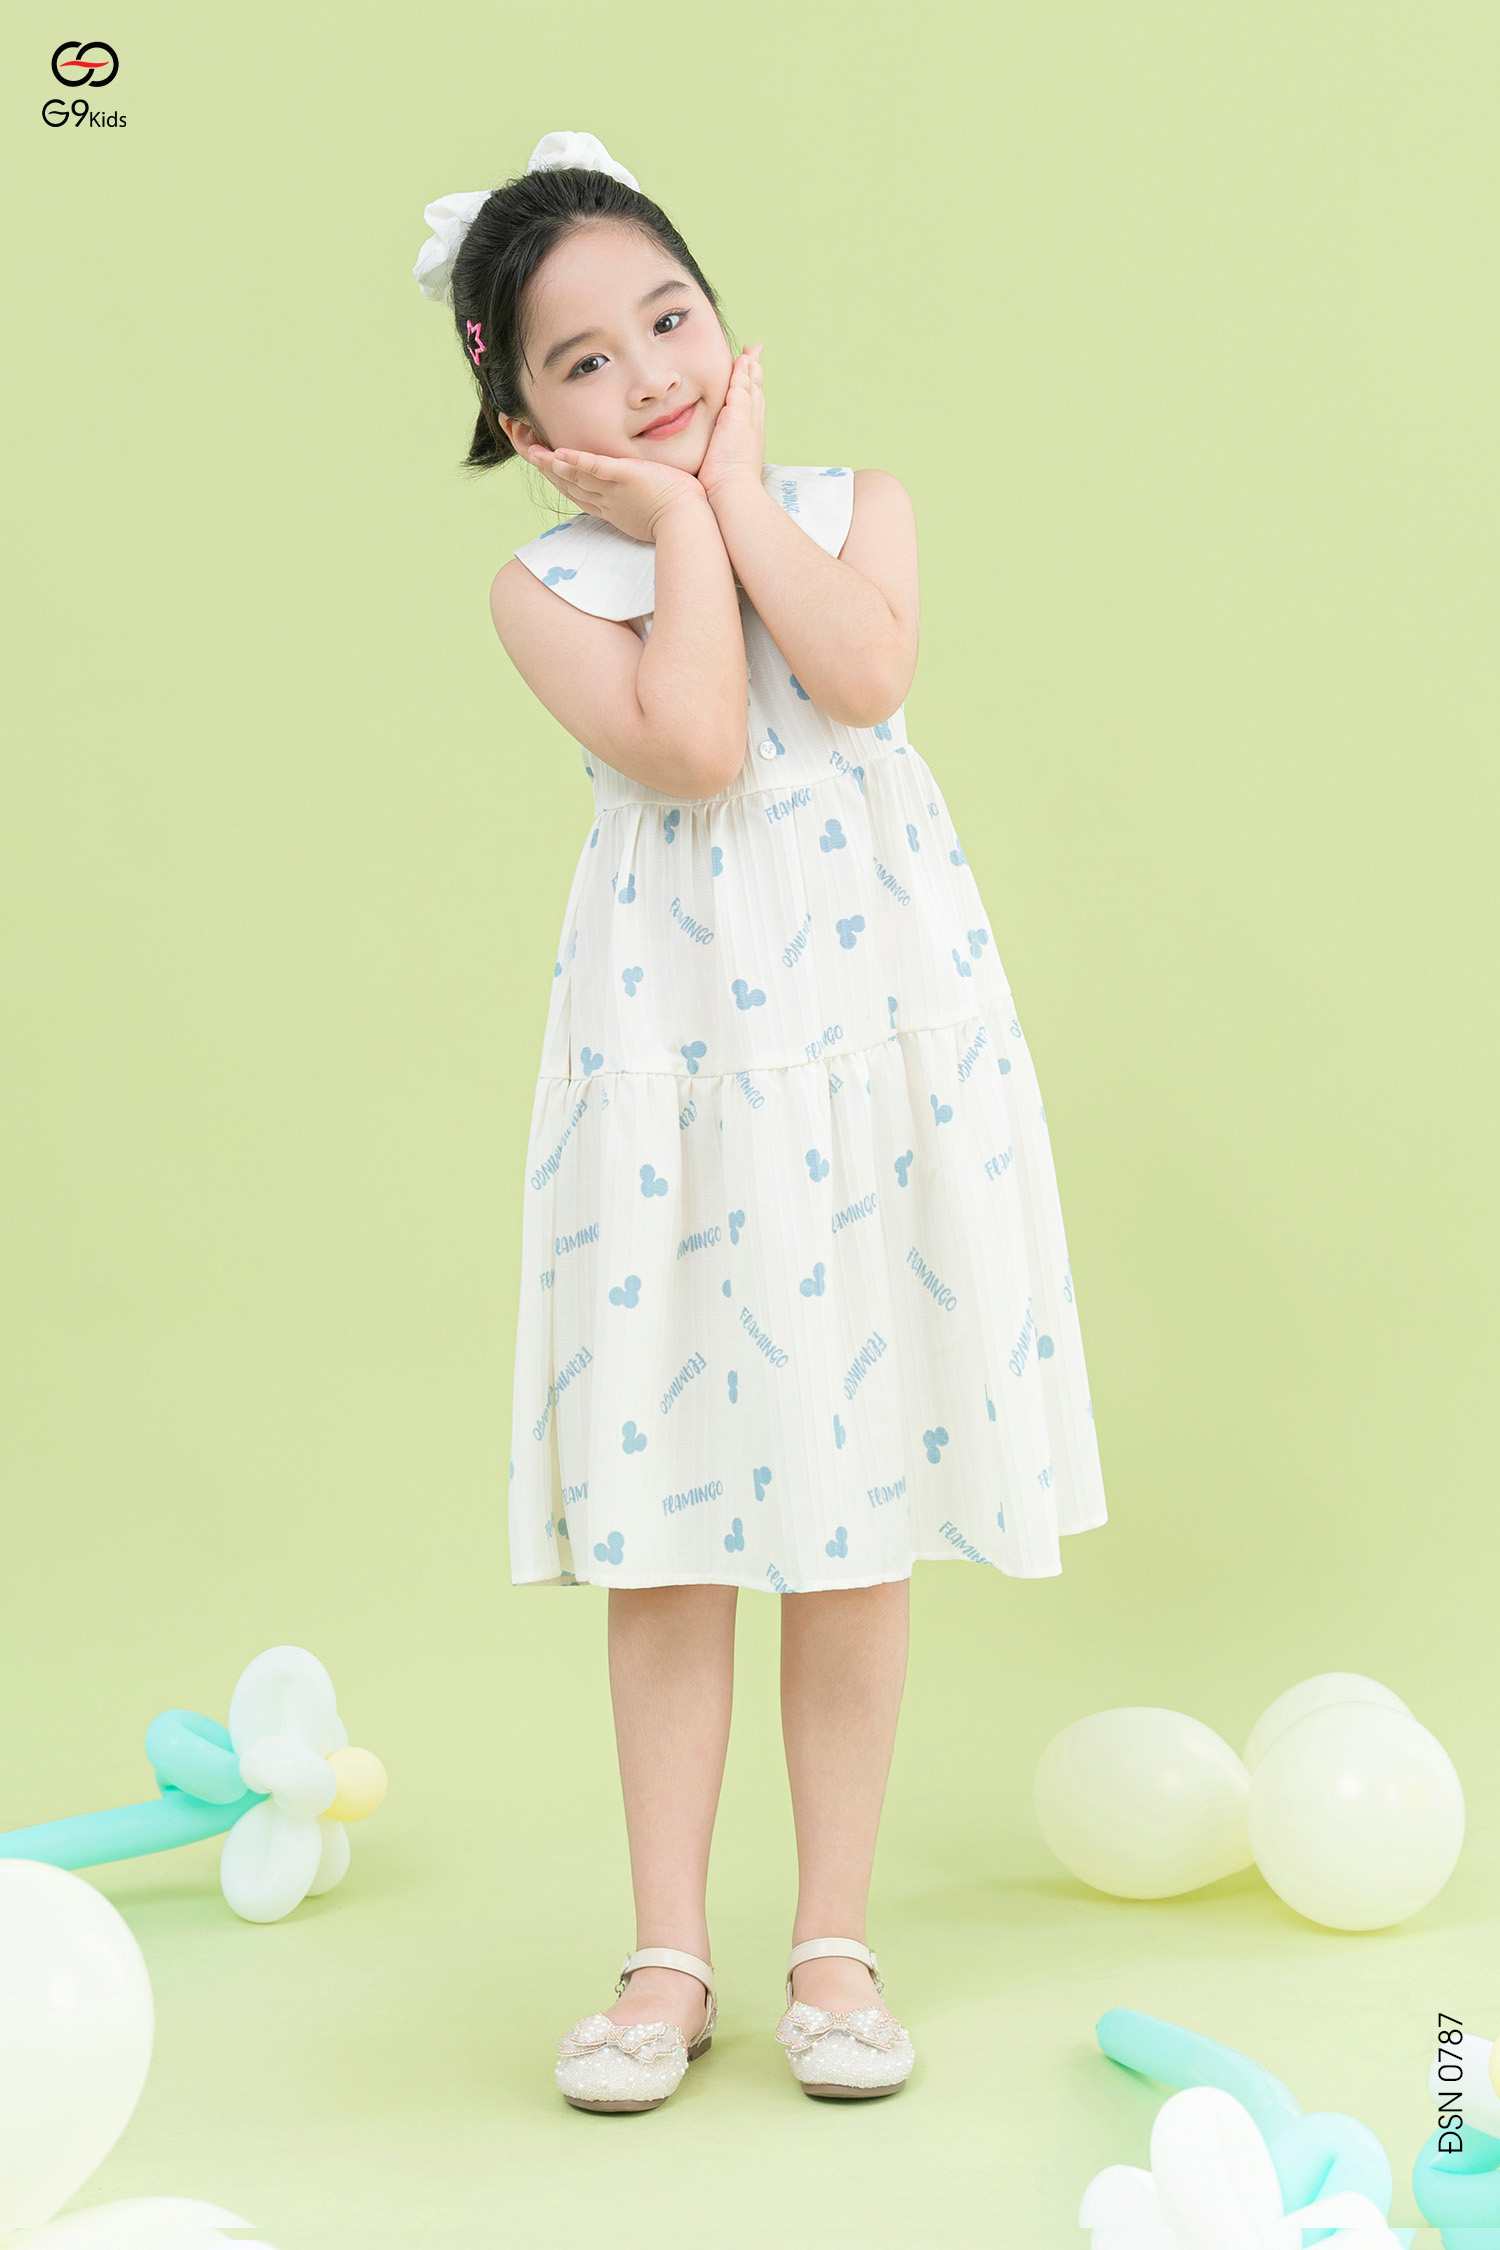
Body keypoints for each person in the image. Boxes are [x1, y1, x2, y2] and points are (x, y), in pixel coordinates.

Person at [412, 129, 1108, 2114]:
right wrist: (677, 523)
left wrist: (729, 498)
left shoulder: (853, 506)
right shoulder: (546, 586)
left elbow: (863, 677)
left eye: (669, 319)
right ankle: (667, 1953)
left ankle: (832, 1940)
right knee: (672, 1512)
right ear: (525, 426)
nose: (647, 371)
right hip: (684, 1075)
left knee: (855, 1499)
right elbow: (702, 742)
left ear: (724, 321)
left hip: (869, 1052)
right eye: (585, 362)